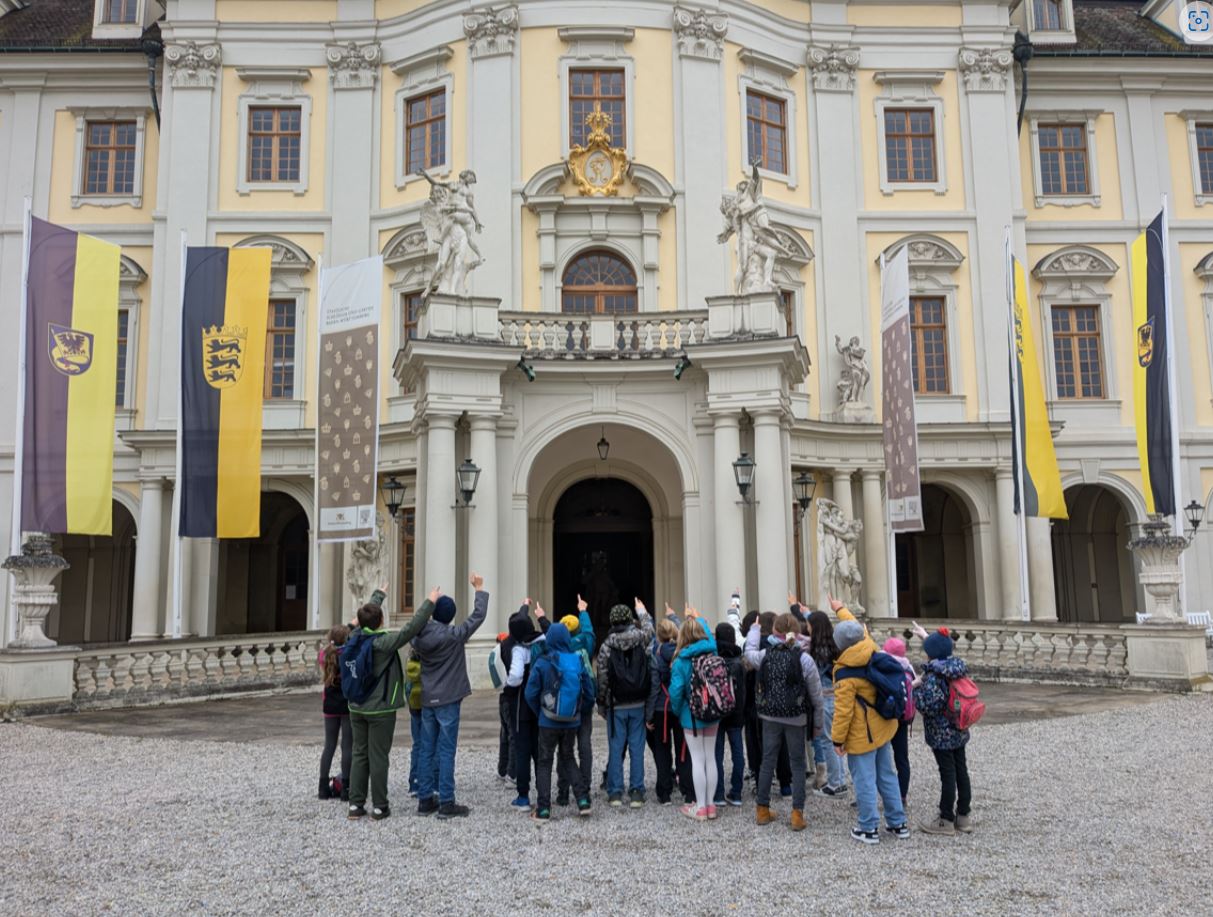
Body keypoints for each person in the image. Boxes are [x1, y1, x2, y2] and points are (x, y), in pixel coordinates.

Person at [346, 587, 436, 821]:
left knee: (359, 753)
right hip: (380, 708)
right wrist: (429, 602)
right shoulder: (384, 643)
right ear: (381, 621)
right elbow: (410, 629)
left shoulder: (354, 637)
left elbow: (365, 618)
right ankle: (379, 806)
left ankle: (355, 805)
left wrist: (378, 596)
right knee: (378, 756)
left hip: (355, 706)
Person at [412, 573, 490, 819]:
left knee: (426, 748)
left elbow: (414, 624)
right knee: (446, 750)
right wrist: (479, 589)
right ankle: (446, 802)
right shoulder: (454, 635)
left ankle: (425, 799)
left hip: (428, 697)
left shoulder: (418, 637)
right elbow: (478, 617)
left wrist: (429, 602)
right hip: (448, 698)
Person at [831, 605, 909, 844]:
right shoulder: (870, 646)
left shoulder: (845, 672)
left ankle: (868, 827)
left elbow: (843, 712)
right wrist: (840, 609)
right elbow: (857, 628)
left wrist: (837, 739)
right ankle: (898, 822)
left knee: (864, 779)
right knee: (886, 774)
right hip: (881, 726)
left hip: (861, 733)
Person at [744, 612, 823, 831]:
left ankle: (762, 809)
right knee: (797, 763)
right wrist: (818, 724)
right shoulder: (804, 659)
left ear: (774, 631)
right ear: (796, 632)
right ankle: (797, 814)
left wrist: (754, 630)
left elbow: (748, 653)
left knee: (767, 760)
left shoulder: (766, 655)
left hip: (769, 714)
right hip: (796, 716)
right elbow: (817, 696)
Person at [524, 622, 595, 821]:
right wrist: (578, 711)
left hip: (548, 720)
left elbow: (530, 693)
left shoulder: (542, 662)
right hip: (571, 720)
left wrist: (541, 711)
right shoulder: (577, 660)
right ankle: (583, 800)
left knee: (545, 762)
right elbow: (589, 693)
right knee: (568, 757)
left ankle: (543, 809)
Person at [595, 599, 654, 807]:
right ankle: (636, 791)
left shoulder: (606, 646)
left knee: (615, 747)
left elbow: (602, 677)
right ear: (629, 619)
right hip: (638, 701)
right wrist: (642, 611)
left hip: (616, 704)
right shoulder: (641, 638)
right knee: (637, 749)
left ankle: (615, 792)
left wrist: (601, 703)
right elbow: (650, 629)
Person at [916, 629, 974, 836]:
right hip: (959, 727)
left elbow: (928, 706)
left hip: (941, 734)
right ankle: (964, 815)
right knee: (961, 771)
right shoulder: (957, 668)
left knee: (947, 774)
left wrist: (915, 688)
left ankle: (946, 819)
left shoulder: (934, 675)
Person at [667, 612, 720, 821]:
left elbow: (676, 692)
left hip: (691, 715)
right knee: (710, 757)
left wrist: (678, 710)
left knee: (697, 760)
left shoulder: (681, 660)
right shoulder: (712, 651)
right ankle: (711, 805)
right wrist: (701, 620)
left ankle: (700, 807)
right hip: (713, 712)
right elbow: (708, 636)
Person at [647, 615, 694, 806]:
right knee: (683, 751)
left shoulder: (656, 656)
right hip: (680, 707)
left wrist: (649, 715)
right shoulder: (683, 653)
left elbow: (654, 688)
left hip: (661, 708)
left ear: (658, 636)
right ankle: (688, 790)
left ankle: (664, 792)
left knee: (662, 751)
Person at [504, 601, 545, 811]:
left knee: (522, 751)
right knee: (540, 751)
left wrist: (507, 689)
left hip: (522, 706)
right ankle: (543, 794)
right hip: (541, 706)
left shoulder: (520, 649)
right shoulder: (543, 641)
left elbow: (515, 676)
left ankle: (523, 796)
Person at [556, 596, 596, 807]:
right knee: (584, 746)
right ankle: (585, 787)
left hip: (566, 707)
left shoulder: (558, 651)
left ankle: (563, 791)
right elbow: (589, 634)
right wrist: (583, 611)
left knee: (564, 749)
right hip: (584, 704)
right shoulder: (584, 647)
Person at [807, 610, 847, 798]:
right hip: (836, 695)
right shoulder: (834, 645)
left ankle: (835, 783)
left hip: (825, 697)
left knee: (827, 741)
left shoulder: (818, 651)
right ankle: (839, 779)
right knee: (835, 740)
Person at [712, 622, 747, 808]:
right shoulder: (739, 662)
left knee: (717, 754)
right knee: (738, 753)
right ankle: (736, 792)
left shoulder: (713, 659)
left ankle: (718, 794)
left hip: (717, 711)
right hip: (736, 712)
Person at [318, 625, 351, 801]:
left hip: (329, 703)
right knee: (347, 746)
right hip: (346, 703)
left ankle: (323, 787)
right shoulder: (348, 654)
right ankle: (346, 787)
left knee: (329, 745)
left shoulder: (324, 655)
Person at [882, 636, 916, 807]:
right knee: (902, 758)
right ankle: (902, 795)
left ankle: (879, 793)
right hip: (903, 719)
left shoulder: (884, 667)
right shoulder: (909, 669)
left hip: (885, 717)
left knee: (880, 757)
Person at [489, 632, 515, 787]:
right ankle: (511, 774)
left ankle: (502, 770)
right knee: (512, 736)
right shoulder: (508, 652)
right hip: (510, 696)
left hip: (502, 697)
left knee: (504, 735)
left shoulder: (495, 652)